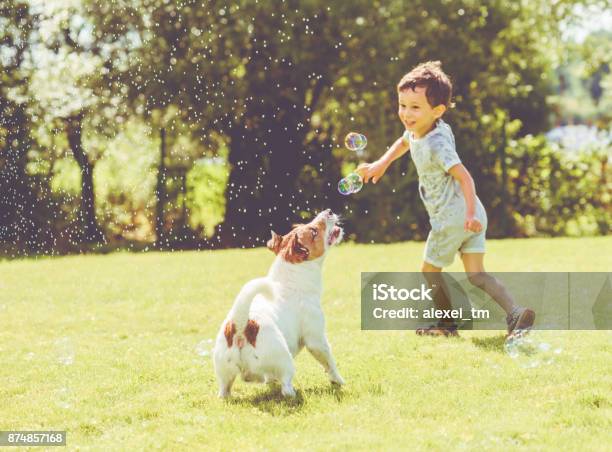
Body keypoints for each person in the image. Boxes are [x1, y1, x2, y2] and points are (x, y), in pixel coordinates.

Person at [357, 61, 534, 337]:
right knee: (477, 275)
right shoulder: (425, 129)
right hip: (471, 212)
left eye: (415, 107)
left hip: (455, 216)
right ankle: (515, 312)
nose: (406, 113)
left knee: (429, 270)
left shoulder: (436, 144)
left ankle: (446, 325)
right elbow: (404, 141)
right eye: (402, 105)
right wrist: (381, 163)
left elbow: (466, 178)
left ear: (437, 110)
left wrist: (469, 215)